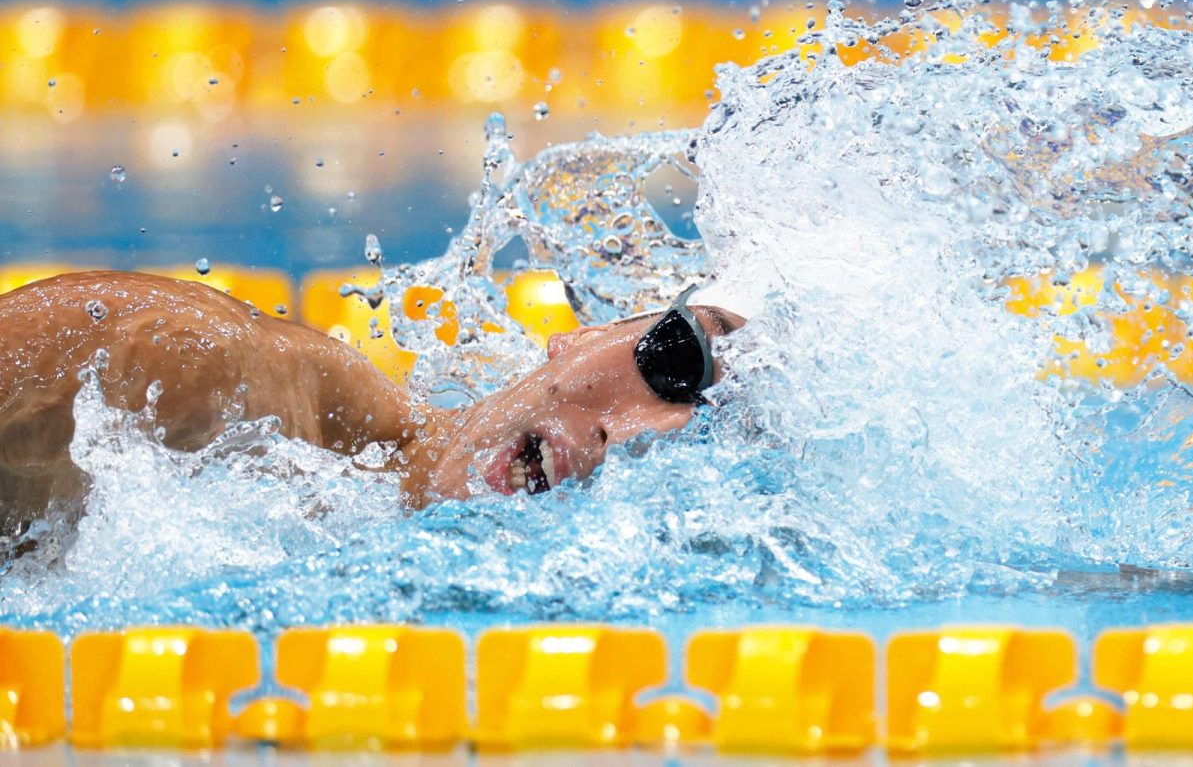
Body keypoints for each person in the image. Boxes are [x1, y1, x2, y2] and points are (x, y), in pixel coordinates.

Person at [0, 271, 745, 534]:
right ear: (588, 332)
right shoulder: (202, 368)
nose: (635, 432)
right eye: (675, 359)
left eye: (694, 435)